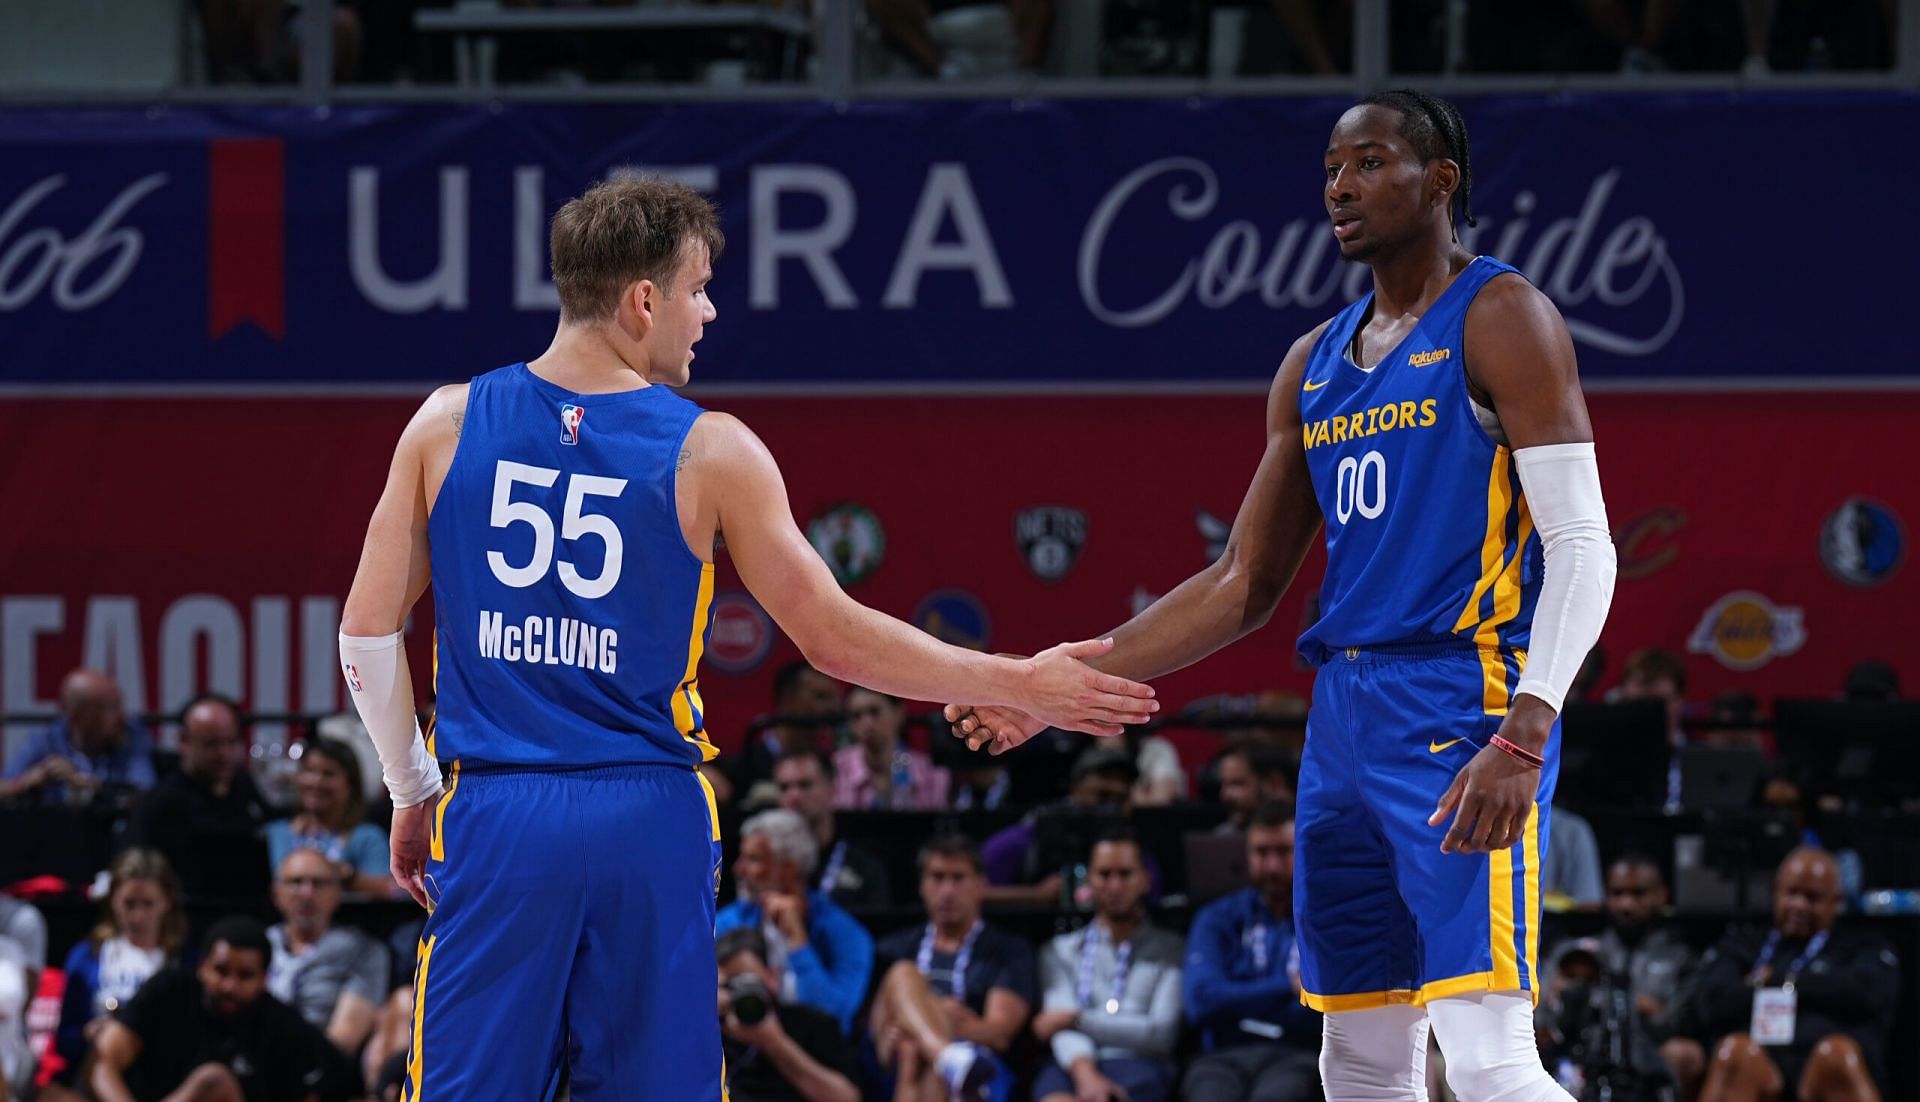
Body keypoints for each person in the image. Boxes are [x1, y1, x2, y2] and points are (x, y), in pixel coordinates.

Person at [335, 175, 1151, 1099]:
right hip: (647, 813)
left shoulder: (445, 424)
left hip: (496, 808)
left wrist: (411, 789)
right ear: (645, 300)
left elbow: (367, 638)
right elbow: (835, 638)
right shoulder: (711, 448)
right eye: (699, 288)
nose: (708, 311)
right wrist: (1016, 680)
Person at [949, 90, 1619, 1102]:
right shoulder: (1311, 365)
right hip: (1342, 719)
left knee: (1487, 1058)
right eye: (1331, 169)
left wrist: (1527, 730)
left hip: (1461, 702)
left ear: (1440, 181)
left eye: (1371, 162)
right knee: (1355, 1057)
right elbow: (1241, 585)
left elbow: (1584, 542)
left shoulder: (1501, 315)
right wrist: (1049, 688)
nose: (1341, 187)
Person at [1677, 847, 1899, 1102]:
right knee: (1735, 1052)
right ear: (1776, 892)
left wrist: (1773, 981)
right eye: (1791, 893)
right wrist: (1818, 989)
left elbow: (1867, 995)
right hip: (1759, 1067)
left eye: (1812, 897)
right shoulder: (1745, 943)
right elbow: (1712, 999)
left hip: (1820, 1070)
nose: (1799, 905)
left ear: (1836, 902)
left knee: (1836, 1055)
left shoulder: (1863, 945)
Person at [88, 915, 334, 1102]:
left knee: (213, 1081)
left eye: (245, 976)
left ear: (264, 980)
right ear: (202, 966)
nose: (229, 985)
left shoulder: (284, 1027)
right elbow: (104, 1062)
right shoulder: (168, 990)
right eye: (221, 971)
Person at [871, 835, 1036, 1102]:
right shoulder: (892, 948)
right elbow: (878, 1027)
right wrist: (943, 1015)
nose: (947, 891)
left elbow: (999, 1034)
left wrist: (928, 1019)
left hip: (976, 1063)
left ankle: (946, 1058)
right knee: (903, 973)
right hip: (893, 1057)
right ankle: (948, 1059)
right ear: (923, 886)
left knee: (916, 1053)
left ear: (981, 885)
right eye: (937, 878)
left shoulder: (1008, 950)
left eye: (958, 879)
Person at [1183, 800, 1321, 1102]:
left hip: (1296, 1052)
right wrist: (1286, 986)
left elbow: (1325, 1011)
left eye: (1283, 852)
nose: (1271, 865)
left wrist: (1237, 998)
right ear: (1246, 855)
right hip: (1222, 1055)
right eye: (1261, 853)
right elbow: (1200, 1001)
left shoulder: (1323, 917)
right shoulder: (1218, 917)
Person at [1032, 829, 1184, 1102]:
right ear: (1089, 880)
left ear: (1146, 880)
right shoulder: (1059, 950)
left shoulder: (1171, 949)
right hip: (1073, 1060)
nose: (1114, 886)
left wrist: (1077, 1018)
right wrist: (1086, 1073)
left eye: (1125, 874)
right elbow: (1057, 1028)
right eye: (1104, 875)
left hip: (1140, 1063)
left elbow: (1161, 1035)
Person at [1537, 854, 1698, 1097]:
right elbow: (1540, 1018)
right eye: (1617, 893)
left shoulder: (1679, 957)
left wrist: (1626, 1004)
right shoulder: (1577, 953)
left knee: (1683, 1052)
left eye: (1638, 893)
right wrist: (1563, 999)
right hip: (1580, 1051)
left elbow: (1677, 1020)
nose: (1626, 905)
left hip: (1648, 1057)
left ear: (1662, 895)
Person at [716, 810, 876, 1033]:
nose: (738, 869)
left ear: (788, 869)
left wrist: (797, 941)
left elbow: (834, 1018)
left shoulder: (848, 935)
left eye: (753, 859)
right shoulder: (727, 922)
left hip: (815, 1057)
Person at [53, 849, 186, 1088]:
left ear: (167, 901)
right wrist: (87, 1032)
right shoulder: (87, 956)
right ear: (112, 899)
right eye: (129, 904)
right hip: (96, 1069)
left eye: (148, 904)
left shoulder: (182, 961)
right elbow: (63, 1040)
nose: (137, 916)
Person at [127, 694, 275, 898]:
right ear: (184, 742)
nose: (224, 754)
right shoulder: (161, 805)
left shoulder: (244, 785)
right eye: (211, 744)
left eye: (231, 742)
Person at [267, 849, 388, 1059]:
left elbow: (344, 1040)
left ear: (338, 894)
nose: (307, 893)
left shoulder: (364, 951)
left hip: (318, 1063)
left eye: (319, 883)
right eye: (295, 882)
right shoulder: (259, 943)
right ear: (276, 893)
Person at [717, 927, 861, 1102]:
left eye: (746, 981)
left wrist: (775, 1043)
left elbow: (847, 1098)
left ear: (772, 977)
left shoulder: (812, 1024)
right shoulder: (711, 1033)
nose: (739, 993)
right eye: (728, 986)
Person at [4, 669, 155, 804]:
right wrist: (31, 780)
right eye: (109, 708)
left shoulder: (131, 736)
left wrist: (83, 782)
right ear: (76, 715)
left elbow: (145, 792)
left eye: (119, 705)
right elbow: (4, 786)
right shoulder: (46, 740)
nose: (121, 715)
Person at [264, 738, 391, 896]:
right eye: (309, 771)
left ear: (350, 785)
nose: (316, 782)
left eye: (328, 774)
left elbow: (387, 890)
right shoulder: (273, 834)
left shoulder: (367, 837)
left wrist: (346, 875)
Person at [775, 748, 893, 908]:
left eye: (805, 785)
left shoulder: (865, 866)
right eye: (784, 788)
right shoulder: (768, 863)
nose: (794, 796)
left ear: (832, 790)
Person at [833, 688, 951, 810]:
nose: (867, 724)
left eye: (875, 712)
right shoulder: (838, 768)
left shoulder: (929, 773)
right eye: (856, 716)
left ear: (898, 713)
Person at [1212, 739, 1296, 833]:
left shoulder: (1306, 835)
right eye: (1223, 784)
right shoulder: (1224, 835)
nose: (1225, 795)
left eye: (1237, 784)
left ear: (1274, 784)